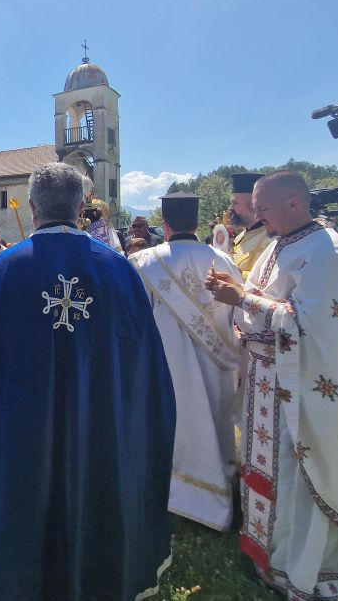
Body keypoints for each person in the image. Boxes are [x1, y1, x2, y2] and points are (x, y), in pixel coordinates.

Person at [0, 163, 176, 600]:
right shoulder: (118, 269)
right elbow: (143, 359)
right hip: (99, 425)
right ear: (80, 207)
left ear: (32, 206)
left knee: (22, 509)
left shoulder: (3, 269)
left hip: (19, 427)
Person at [207, 171, 338, 598]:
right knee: (267, 468)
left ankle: (300, 562)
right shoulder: (281, 242)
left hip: (303, 385)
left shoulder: (327, 250)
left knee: (296, 472)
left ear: (294, 203)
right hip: (267, 380)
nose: (255, 215)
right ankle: (266, 548)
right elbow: (271, 298)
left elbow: (311, 322)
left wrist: (241, 299)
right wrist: (239, 293)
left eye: (263, 208)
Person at [130, 193, 242, 531]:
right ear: (196, 223)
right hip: (218, 364)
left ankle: (174, 494)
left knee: (173, 427)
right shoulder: (224, 260)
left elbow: (133, 320)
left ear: (164, 225)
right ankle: (218, 489)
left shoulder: (144, 262)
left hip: (165, 365)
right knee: (215, 421)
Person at [228, 172, 273, 280]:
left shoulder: (273, 239)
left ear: (254, 205)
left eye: (235, 203)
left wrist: (233, 272)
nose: (230, 208)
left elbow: (272, 280)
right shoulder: (240, 236)